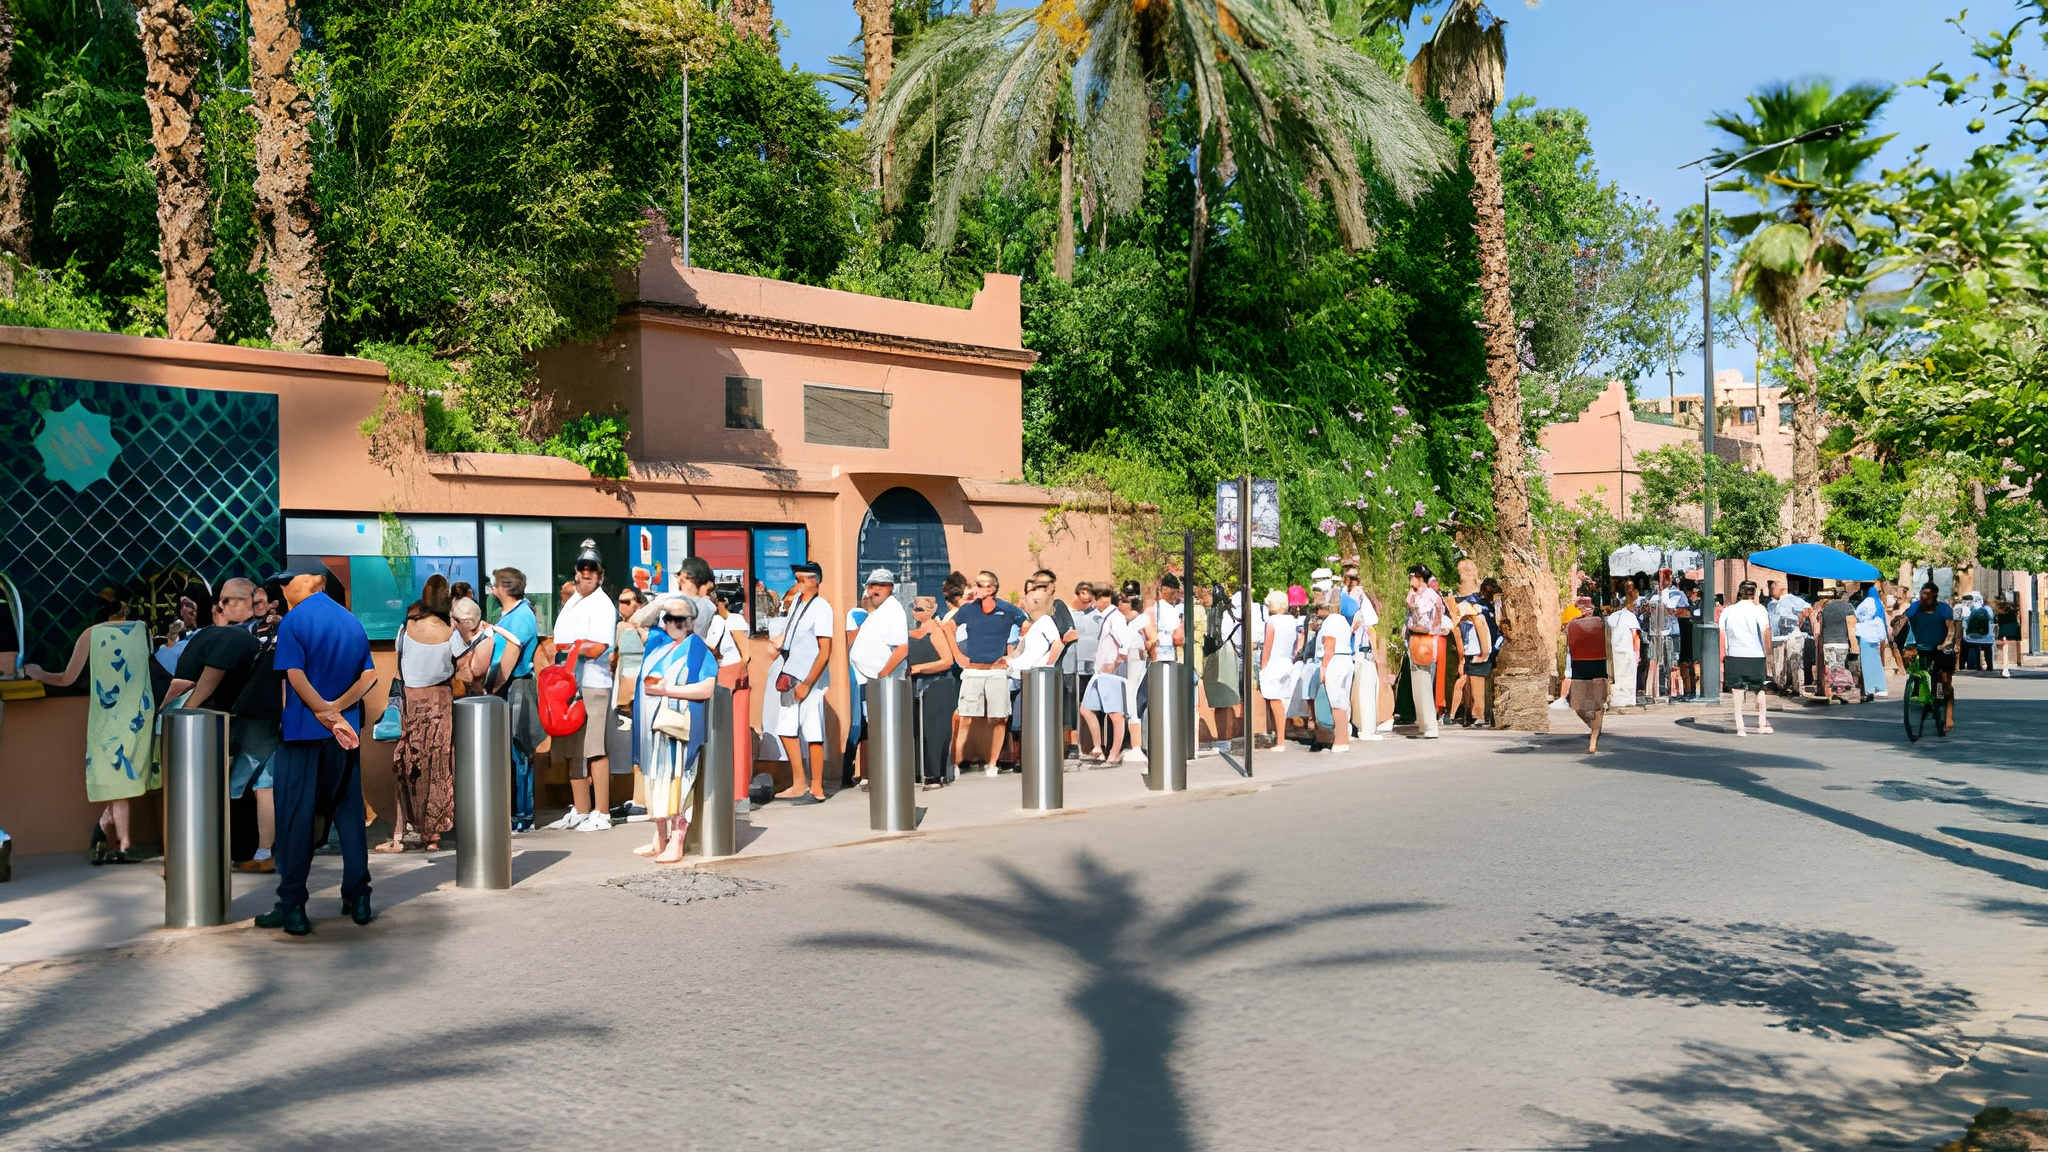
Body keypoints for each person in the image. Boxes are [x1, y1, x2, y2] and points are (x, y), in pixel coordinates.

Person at [259, 570, 377, 936]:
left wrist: (322, 711)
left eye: (286, 583)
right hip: (344, 735)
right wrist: (338, 709)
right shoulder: (350, 621)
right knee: (349, 815)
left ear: (305, 583)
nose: (282, 590)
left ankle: (292, 906)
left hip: (303, 734)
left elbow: (294, 676)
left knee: (296, 819)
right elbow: (369, 677)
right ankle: (359, 897)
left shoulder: (294, 622)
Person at [23, 587, 157, 864]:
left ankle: (122, 843)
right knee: (126, 778)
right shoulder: (142, 631)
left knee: (117, 778)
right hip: (140, 714)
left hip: (109, 717)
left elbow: (66, 679)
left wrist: (38, 673)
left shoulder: (91, 634)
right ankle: (105, 831)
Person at [379, 575, 458, 853]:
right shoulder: (450, 631)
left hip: (410, 702)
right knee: (439, 767)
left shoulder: (407, 627)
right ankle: (433, 834)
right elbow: (462, 664)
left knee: (407, 765)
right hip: (440, 703)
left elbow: (400, 660)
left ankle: (402, 832)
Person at [541, 544, 617, 831]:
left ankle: (603, 813)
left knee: (595, 748)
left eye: (592, 569)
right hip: (569, 685)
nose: (586, 573)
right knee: (574, 749)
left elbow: (599, 646)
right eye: (582, 568)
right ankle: (581, 809)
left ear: (600, 575)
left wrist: (567, 648)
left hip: (593, 684)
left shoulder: (603, 604)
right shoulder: (573, 600)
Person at [637, 598, 716, 862]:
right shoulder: (658, 643)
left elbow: (707, 687)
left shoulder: (698, 649)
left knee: (678, 782)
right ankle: (659, 836)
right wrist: (661, 603)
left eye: (680, 619)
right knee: (654, 780)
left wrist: (667, 690)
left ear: (691, 622)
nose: (673, 624)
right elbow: (638, 621)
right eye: (669, 619)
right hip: (653, 725)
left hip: (678, 725)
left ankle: (677, 839)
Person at [951, 570, 1027, 774]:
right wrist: (957, 655)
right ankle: (956, 763)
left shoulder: (1008, 609)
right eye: (976, 584)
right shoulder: (968, 609)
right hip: (973, 671)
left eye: (981, 584)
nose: (976, 588)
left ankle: (992, 764)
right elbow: (948, 627)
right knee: (965, 716)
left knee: (999, 718)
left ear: (992, 588)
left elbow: (1027, 628)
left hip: (996, 672)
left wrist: (1012, 656)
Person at [487, 567, 543, 832]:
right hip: (508, 688)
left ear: (505, 588)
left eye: (495, 584)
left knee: (519, 753)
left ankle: (523, 815)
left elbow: (509, 660)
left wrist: (491, 690)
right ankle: (516, 813)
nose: (491, 588)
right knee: (511, 754)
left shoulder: (520, 616)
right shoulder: (510, 614)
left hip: (516, 688)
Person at [772, 560, 833, 804]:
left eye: (800, 580)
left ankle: (817, 788)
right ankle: (799, 782)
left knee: (812, 730)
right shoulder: (797, 602)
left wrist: (808, 683)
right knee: (785, 729)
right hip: (791, 672)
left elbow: (825, 651)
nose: (796, 584)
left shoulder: (822, 608)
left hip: (810, 678)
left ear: (814, 581)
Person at [846, 569, 912, 783]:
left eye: (881, 586)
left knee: (884, 731)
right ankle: (877, 776)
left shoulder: (893, 610)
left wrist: (882, 675)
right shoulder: (878, 612)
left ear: (890, 588)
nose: (875, 589)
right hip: (871, 682)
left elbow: (902, 648)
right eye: (872, 585)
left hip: (884, 683)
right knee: (873, 730)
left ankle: (888, 779)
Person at [907, 596, 961, 787]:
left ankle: (935, 773)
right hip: (914, 688)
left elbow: (947, 661)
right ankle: (917, 772)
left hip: (938, 686)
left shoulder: (936, 631)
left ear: (931, 610)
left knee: (935, 731)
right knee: (916, 730)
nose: (916, 612)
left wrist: (919, 668)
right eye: (914, 608)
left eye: (920, 609)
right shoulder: (910, 633)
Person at [1081, 591, 1137, 765]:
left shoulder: (1116, 617)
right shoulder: (1107, 617)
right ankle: (1098, 748)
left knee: (1115, 714)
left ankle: (1113, 754)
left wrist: (1115, 663)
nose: (1094, 602)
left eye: (1096, 599)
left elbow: (1126, 643)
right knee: (1086, 709)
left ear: (1105, 600)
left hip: (1110, 674)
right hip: (1100, 673)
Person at [1895, 581, 1959, 732]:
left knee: (1944, 681)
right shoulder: (1915, 607)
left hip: (1941, 648)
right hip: (1921, 647)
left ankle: (1948, 715)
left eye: (1928, 595)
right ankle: (1919, 693)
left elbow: (1951, 629)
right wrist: (1897, 628)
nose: (1924, 598)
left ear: (1935, 596)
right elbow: (1903, 621)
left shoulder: (1944, 609)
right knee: (1919, 670)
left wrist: (1946, 643)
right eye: (1923, 594)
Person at [607, 587, 648, 792]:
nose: (621, 605)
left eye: (627, 601)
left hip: (639, 689)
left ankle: (639, 793)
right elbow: (614, 656)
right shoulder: (620, 626)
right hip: (623, 688)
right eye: (620, 601)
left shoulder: (646, 625)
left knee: (639, 741)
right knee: (626, 741)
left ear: (638, 604)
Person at [1720, 580, 1773, 736]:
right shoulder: (1759, 610)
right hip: (1756, 655)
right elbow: (1766, 632)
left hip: (1734, 654)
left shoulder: (1728, 610)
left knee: (1737, 691)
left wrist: (1722, 658)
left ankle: (1740, 727)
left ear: (1740, 593)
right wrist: (1769, 655)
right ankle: (1761, 724)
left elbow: (1721, 634)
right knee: (1760, 689)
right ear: (1755, 594)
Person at [1563, 589, 1609, 753]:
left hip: (1589, 666)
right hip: (1588, 666)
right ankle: (1594, 730)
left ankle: (1593, 737)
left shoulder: (1579, 625)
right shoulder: (1596, 623)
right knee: (1585, 705)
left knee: (1589, 705)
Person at [1403, 566, 1445, 739]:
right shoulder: (1421, 595)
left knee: (1424, 685)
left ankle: (1430, 726)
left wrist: (1412, 608)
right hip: (1419, 641)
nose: (1410, 579)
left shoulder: (1428, 596)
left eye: (1412, 576)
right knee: (1418, 685)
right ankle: (1424, 723)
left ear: (1419, 577)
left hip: (1424, 641)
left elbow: (1424, 624)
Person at [1198, 585, 1241, 744]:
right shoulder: (1220, 611)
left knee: (1223, 702)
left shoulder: (1222, 613)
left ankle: (1224, 741)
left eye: (1205, 594)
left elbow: (1221, 636)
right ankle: (1223, 740)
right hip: (1218, 654)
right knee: (1220, 702)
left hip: (1222, 653)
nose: (1203, 599)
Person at [1313, 586, 1354, 753]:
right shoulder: (1344, 621)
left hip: (1335, 661)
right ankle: (1343, 738)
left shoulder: (1330, 621)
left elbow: (1329, 645)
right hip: (1346, 659)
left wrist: (1323, 668)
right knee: (1343, 700)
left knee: (1335, 701)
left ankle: (1340, 740)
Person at [1256, 589, 1298, 749]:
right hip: (1287, 661)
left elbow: (1268, 646)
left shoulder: (1271, 622)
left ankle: (1280, 740)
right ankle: (1279, 737)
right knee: (1280, 701)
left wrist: (1263, 667)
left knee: (1275, 701)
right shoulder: (1291, 621)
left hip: (1273, 663)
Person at [1349, 587, 1384, 741]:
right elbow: (1371, 637)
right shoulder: (1367, 623)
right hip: (1364, 658)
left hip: (1358, 657)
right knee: (1367, 696)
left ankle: (1361, 727)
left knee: (1359, 696)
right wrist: (1377, 659)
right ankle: (1367, 729)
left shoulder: (1356, 618)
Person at [1449, 600, 1493, 728]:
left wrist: (1483, 656)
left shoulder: (1478, 620)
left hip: (1478, 656)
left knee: (1477, 689)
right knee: (1466, 687)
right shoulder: (1466, 623)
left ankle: (1479, 716)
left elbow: (1485, 640)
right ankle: (1467, 715)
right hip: (1470, 656)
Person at [1769, 583, 1812, 697]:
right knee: (1778, 664)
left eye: (1772, 588)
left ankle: (1798, 687)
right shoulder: (1771, 604)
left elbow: (1807, 609)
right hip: (1777, 638)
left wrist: (1799, 621)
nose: (1770, 591)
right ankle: (1780, 686)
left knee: (1795, 662)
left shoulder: (1791, 599)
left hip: (1792, 635)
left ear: (1780, 588)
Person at [1818, 587, 1856, 703]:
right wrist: (1854, 644)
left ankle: (1830, 694)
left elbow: (1821, 628)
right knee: (1840, 669)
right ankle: (1839, 693)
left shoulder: (1826, 608)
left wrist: (1821, 644)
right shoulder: (1848, 607)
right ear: (1846, 598)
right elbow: (1851, 626)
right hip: (1842, 643)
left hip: (1828, 643)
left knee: (1830, 669)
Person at [1605, 592, 1642, 709]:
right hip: (1628, 650)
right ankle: (1628, 699)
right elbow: (1635, 635)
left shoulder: (1613, 616)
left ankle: (1619, 699)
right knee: (1629, 676)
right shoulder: (1630, 617)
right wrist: (1637, 653)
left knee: (1619, 676)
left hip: (1616, 651)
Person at [1853, 581, 1889, 700]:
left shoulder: (1867, 601)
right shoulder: (1878, 602)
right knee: (1876, 662)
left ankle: (1870, 689)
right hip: (1876, 635)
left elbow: (1857, 614)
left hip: (1866, 634)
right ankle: (1881, 688)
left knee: (1867, 663)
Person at [1961, 592, 1997, 673]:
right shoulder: (1988, 609)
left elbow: (1965, 622)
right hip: (1987, 638)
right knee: (1988, 648)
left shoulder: (1969, 609)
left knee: (1971, 645)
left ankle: (1973, 665)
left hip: (1971, 637)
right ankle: (1990, 666)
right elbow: (1991, 619)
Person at [1996, 596, 2023, 678]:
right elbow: (2017, 622)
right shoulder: (2013, 613)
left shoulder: (2000, 614)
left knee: (2005, 651)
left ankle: (2005, 668)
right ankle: (2017, 662)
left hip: (2004, 632)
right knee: (2012, 648)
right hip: (2013, 632)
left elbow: (1999, 623)